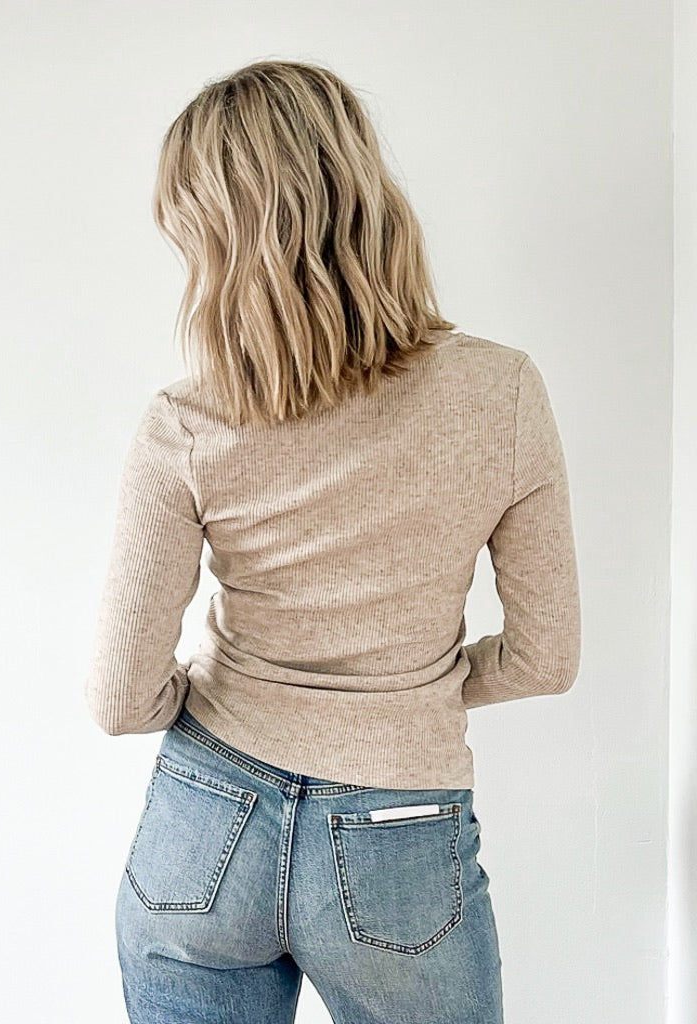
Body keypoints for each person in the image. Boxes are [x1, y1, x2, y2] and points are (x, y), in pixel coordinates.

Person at [85, 58, 581, 1024]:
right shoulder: (503, 393)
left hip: (203, 823)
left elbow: (118, 699)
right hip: (400, 828)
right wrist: (411, 690)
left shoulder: (186, 422)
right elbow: (546, 659)